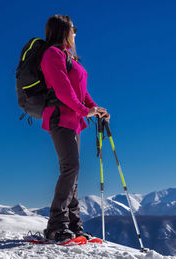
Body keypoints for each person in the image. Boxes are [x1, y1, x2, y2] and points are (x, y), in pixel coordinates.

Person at [40, 14, 110, 242]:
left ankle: (72, 225)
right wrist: (84, 110)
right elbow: (62, 90)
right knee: (70, 167)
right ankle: (55, 226)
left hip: (73, 119)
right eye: (73, 28)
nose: (75, 33)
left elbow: (79, 90)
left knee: (73, 171)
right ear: (63, 30)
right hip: (60, 117)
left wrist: (94, 108)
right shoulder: (52, 54)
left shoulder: (69, 57)